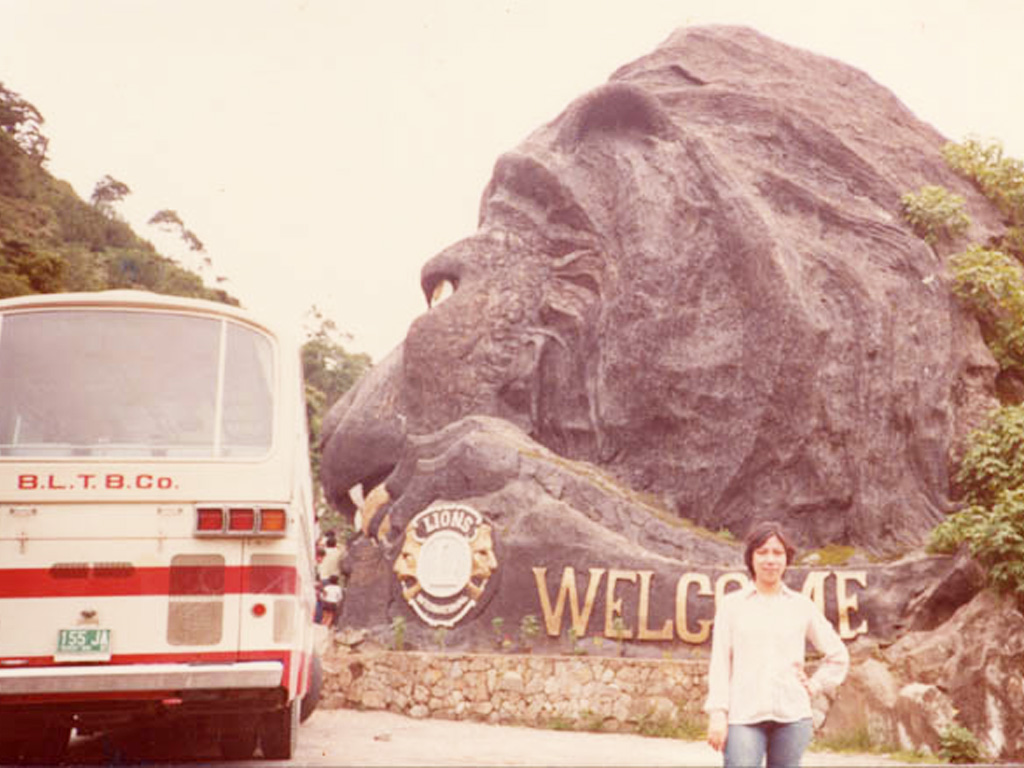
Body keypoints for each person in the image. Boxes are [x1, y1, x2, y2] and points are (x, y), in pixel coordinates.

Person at [704, 520, 849, 768]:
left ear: (786, 558)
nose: (770, 560)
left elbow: (838, 655)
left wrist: (815, 685)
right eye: (762, 552)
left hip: (793, 717)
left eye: (777, 553)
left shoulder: (801, 605)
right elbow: (720, 664)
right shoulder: (732, 605)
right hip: (744, 716)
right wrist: (718, 713)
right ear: (751, 558)